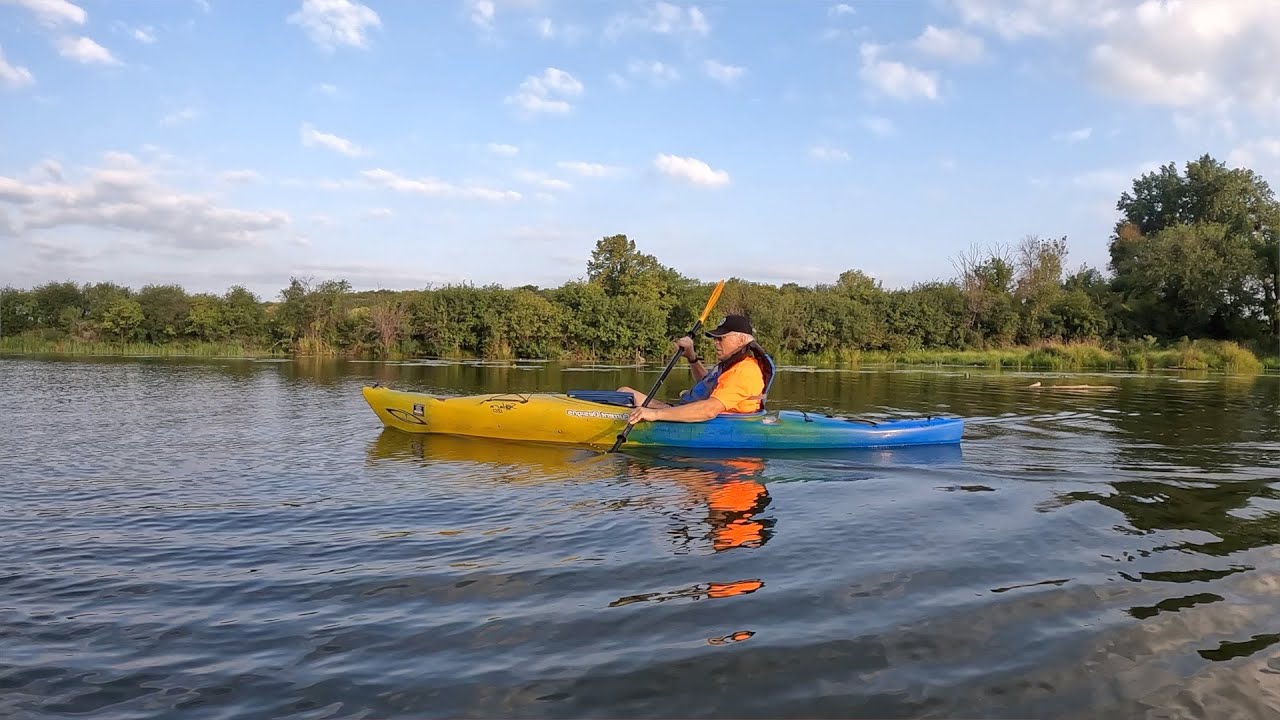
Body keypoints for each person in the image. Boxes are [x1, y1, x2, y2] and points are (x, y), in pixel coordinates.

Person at [618, 314, 774, 425]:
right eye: (714, 338)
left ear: (741, 340)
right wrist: (692, 358)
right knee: (625, 393)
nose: (715, 342)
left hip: (725, 425)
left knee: (652, 473)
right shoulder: (732, 364)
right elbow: (707, 385)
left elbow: (709, 410)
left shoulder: (743, 371)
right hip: (706, 415)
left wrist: (654, 414)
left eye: (721, 338)